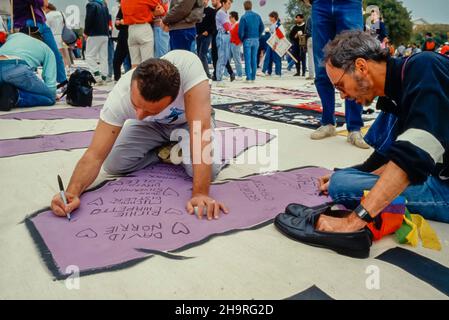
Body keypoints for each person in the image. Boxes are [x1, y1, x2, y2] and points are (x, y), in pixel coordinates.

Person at [50, 50, 228, 220]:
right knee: (114, 164)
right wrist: (72, 192)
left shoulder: (190, 69)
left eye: (151, 110)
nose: (139, 114)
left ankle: (177, 148)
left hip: (188, 125)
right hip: (153, 126)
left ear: (174, 98)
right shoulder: (121, 96)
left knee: (208, 171)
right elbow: (95, 154)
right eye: (136, 106)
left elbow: (200, 130)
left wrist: (200, 194)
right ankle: (164, 152)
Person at [315, 30, 449, 233]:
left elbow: (413, 156)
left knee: (341, 185)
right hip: (434, 174)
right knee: (342, 177)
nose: (343, 96)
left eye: (341, 86)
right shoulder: (401, 80)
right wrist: (346, 173)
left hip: (443, 188)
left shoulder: (425, 68)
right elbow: (386, 157)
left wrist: (353, 221)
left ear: (361, 66)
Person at [309, 0, 368, 149]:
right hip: (321, 4)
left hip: (349, 3)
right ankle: (328, 122)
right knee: (322, 64)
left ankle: (354, 127)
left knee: (354, 63)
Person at [12, 0, 67, 87]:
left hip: (39, 22)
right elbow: (43, 3)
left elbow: (45, 3)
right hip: (28, 23)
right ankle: (28, 84)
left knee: (53, 54)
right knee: (30, 57)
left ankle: (62, 82)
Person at [0, 32, 56, 110]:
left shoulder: (13, 37)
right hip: (16, 68)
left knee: (7, 85)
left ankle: (7, 92)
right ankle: (15, 97)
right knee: (50, 98)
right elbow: (50, 82)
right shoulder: (46, 48)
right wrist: (52, 93)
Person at [121, 0, 160, 67]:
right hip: (144, 28)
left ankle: (135, 77)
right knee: (147, 63)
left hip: (131, 29)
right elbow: (158, 6)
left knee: (134, 63)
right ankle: (147, 77)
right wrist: (152, 14)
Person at [84, 0, 110, 83]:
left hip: (94, 34)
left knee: (89, 56)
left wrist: (86, 32)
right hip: (105, 34)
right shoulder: (104, 5)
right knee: (103, 57)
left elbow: (89, 19)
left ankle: (96, 75)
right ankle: (104, 76)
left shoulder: (91, 5)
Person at [237, 1, 263, 83]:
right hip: (256, 39)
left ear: (244, 7)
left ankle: (248, 77)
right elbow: (262, 27)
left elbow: (240, 31)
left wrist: (242, 39)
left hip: (247, 39)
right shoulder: (257, 16)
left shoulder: (243, 17)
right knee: (254, 59)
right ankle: (253, 77)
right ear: (251, 6)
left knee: (247, 59)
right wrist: (258, 35)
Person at [210, 0, 234, 81]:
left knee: (224, 57)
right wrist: (231, 29)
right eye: (228, 3)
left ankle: (220, 77)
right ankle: (219, 78)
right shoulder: (221, 13)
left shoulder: (225, 13)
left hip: (225, 35)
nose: (230, 5)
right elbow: (227, 26)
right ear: (223, 3)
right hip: (222, 35)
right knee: (221, 57)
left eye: (230, 3)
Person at [44, 3, 71, 69]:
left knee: (58, 54)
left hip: (54, 36)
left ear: (47, 8)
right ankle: (67, 67)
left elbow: (46, 28)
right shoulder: (61, 13)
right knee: (65, 53)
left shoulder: (47, 16)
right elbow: (67, 25)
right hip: (64, 36)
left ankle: (61, 68)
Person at [196, 0, 215, 78]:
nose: (204, 1)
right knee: (199, 54)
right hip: (198, 36)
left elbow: (214, 24)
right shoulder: (198, 10)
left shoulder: (211, 11)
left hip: (207, 36)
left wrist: (208, 31)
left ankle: (207, 74)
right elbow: (196, 22)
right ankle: (201, 73)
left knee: (202, 54)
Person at [113, 2, 131, 81]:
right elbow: (117, 24)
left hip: (131, 34)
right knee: (116, 60)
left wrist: (123, 22)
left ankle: (131, 80)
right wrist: (119, 22)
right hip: (123, 36)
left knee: (132, 61)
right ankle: (117, 80)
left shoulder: (137, 4)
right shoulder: (123, 6)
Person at [262, 11, 283, 78]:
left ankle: (278, 73)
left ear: (274, 17)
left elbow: (280, 36)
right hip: (270, 44)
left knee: (277, 58)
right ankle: (267, 71)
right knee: (268, 57)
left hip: (276, 44)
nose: (269, 19)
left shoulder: (278, 25)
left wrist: (275, 44)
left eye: (270, 17)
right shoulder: (272, 25)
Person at [229, 11, 243, 80]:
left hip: (236, 44)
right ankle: (227, 73)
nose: (229, 18)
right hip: (230, 43)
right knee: (227, 59)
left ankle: (240, 75)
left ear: (234, 17)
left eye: (230, 17)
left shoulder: (238, 25)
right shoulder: (231, 25)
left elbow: (241, 34)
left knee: (237, 59)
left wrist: (240, 42)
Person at [305, 13, 314, 80]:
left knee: (310, 58)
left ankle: (311, 75)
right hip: (319, 38)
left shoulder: (309, 18)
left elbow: (306, 30)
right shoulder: (321, 16)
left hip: (310, 38)